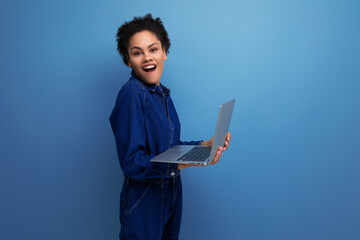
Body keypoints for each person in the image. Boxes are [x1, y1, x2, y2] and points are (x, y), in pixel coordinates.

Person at [109, 13, 231, 240]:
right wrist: (185, 163)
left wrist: (204, 145)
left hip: (172, 193)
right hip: (145, 199)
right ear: (128, 60)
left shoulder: (161, 93)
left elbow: (168, 148)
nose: (146, 57)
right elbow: (132, 162)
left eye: (153, 49)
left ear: (164, 52)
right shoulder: (132, 93)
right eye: (137, 53)